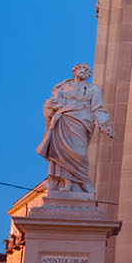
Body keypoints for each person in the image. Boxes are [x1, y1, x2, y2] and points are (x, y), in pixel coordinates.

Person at [37, 64, 114, 196]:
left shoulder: (93, 89)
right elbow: (53, 102)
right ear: (74, 71)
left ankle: (83, 180)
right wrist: (48, 107)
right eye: (80, 69)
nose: (83, 71)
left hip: (82, 121)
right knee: (61, 152)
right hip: (63, 120)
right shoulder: (62, 86)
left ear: (89, 75)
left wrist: (103, 124)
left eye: (86, 70)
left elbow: (98, 107)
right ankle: (68, 183)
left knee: (79, 153)